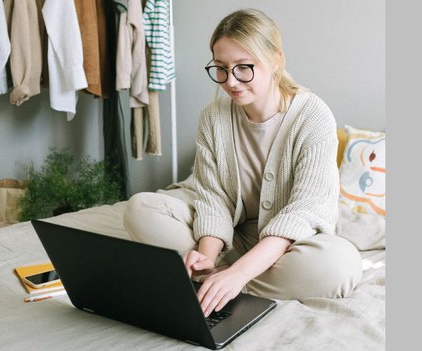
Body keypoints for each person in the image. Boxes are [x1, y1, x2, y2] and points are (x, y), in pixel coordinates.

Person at [123, 8, 362, 317]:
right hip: (233, 238)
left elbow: (307, 209)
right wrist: (207, 255)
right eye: (221, 68)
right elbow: (212, 198)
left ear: (276, 60)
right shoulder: (213, 117)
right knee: (140, 208)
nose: (231, 81)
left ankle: (222, 281)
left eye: (243, 68)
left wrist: (239, 274)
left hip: (286, 247)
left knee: (339, 265)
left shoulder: (312, 115)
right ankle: (213, 275)